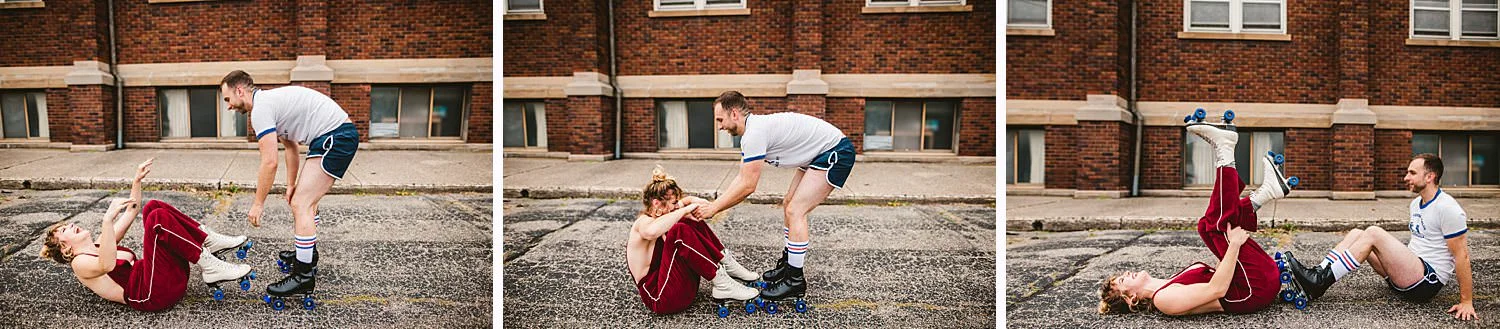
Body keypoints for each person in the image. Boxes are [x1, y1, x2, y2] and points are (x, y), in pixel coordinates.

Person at [1098, 120, 1292, 316]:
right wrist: (1233, 245)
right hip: (1255, 290)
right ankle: (1225, 151)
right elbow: (1217, 290)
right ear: (1131, 299)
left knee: (1205, 227)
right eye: (1122, 281)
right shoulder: (1163, 300)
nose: (1126, 274)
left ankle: (1266, 193)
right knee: (1217, 227)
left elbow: (1220, 273)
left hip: (1254, 281)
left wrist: (1228, 247)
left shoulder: (1167, 285)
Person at [692, 90, 856, 305]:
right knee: (788, 203)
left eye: (720, 119)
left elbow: (748, 186)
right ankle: (789, 266)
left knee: (796, 210)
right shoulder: (753, 131)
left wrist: (714, 208)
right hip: (818, 153)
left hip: (835, 152)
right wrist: (716, 204)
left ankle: (795, 280)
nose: (719, 126)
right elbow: (742, 177)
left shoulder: (754, 133)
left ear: (734, 114)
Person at [39, 158, 254, 312]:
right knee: (156, 220)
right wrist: (107, 219)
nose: (72, 225)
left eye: (68, 224)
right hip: (151, 295)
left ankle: (207, 240)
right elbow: (106, 265)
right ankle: (209, 264)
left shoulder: (98, 245)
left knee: (153, 207)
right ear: (66, 248)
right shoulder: (80, 264)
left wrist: (136, 181)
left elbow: (132, 210)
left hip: (164, 280)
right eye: (65, 230)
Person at [1280, 154, 1477, 320]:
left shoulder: (1448, 208)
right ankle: (1317, 274)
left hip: (1425, 283)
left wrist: (1466, 301)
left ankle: (1319, 283)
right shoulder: (1416, 204)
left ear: (1430, 177)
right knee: (1358, 233)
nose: (1406, 177)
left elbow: (1462, 256)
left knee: (1374, 233)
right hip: (1408, 273)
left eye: (1412, 173)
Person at [221, 70, 358, 304]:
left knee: (302, 204)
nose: (228, 106)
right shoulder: (271, 104)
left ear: (240, 90)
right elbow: (291, 148)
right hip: (330, 136)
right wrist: (291, 185)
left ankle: (303, 275)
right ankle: (307, 256)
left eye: (228, 99)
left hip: (335, 137)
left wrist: (258, 203)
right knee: (304, 201)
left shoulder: (262, 109)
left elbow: (269, 161)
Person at [628, 166, 760, 314]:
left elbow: (683, 205)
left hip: (682, 291)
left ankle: (726, 263)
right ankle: (721, 282)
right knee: (679, 229)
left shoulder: (663, 217)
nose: (676, 206)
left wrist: (691, 203)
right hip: (661, 299)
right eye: (673, 203)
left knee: (686, 221)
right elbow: (652, 232)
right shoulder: (642, 223)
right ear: (657, 203)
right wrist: (684, 210)